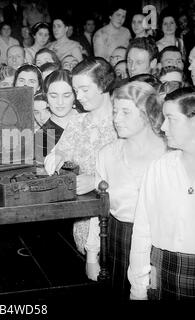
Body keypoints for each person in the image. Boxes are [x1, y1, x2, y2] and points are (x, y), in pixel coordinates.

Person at [84, 81, 167, 300]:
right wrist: (92, 255)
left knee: (153, 292)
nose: (116, 119)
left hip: (157, 245)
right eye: (115, 111)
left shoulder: (168, 154)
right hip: (118, 239)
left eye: (125, 112)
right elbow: (98, 209)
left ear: (147, 113)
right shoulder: (108, 154)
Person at [44, 58, 118, 255]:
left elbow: (137, 174)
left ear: (103, 84)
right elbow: (58, 152)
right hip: (83, 226)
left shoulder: (122, 122)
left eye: (84, 89)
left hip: (115, 224)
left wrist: (96, 181)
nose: (79, 97)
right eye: (76, 91)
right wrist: (56, 157)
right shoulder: (78, 121)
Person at [128, 87, 195, 300]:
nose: (163, 127)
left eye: (171, 119)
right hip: (164, 269)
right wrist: (138, 288)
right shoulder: (159, 169)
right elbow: (142, 231)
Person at [35, 69, 78, 159]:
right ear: (46, 96)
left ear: (75, 95)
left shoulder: (89, 120)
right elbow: (41, 171)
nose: (60, 102)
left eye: (66, 95)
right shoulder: (43, 136)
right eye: (53, 96)